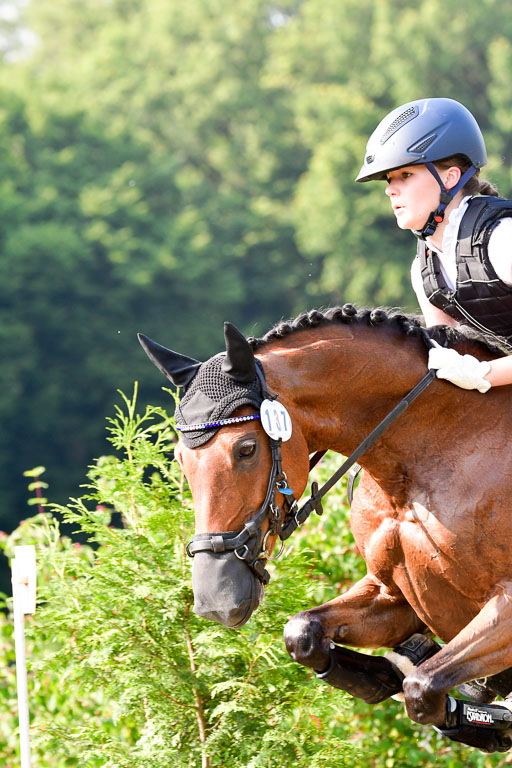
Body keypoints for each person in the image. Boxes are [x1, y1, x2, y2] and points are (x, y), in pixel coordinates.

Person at [356, 97, 512, 393]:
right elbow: (450, 357)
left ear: (450, 178)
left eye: (406, 175)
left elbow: (475, 372)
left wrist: (485, 373)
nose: (390, 189)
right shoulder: (425, 269)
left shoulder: (503, 241)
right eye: (390, 179)